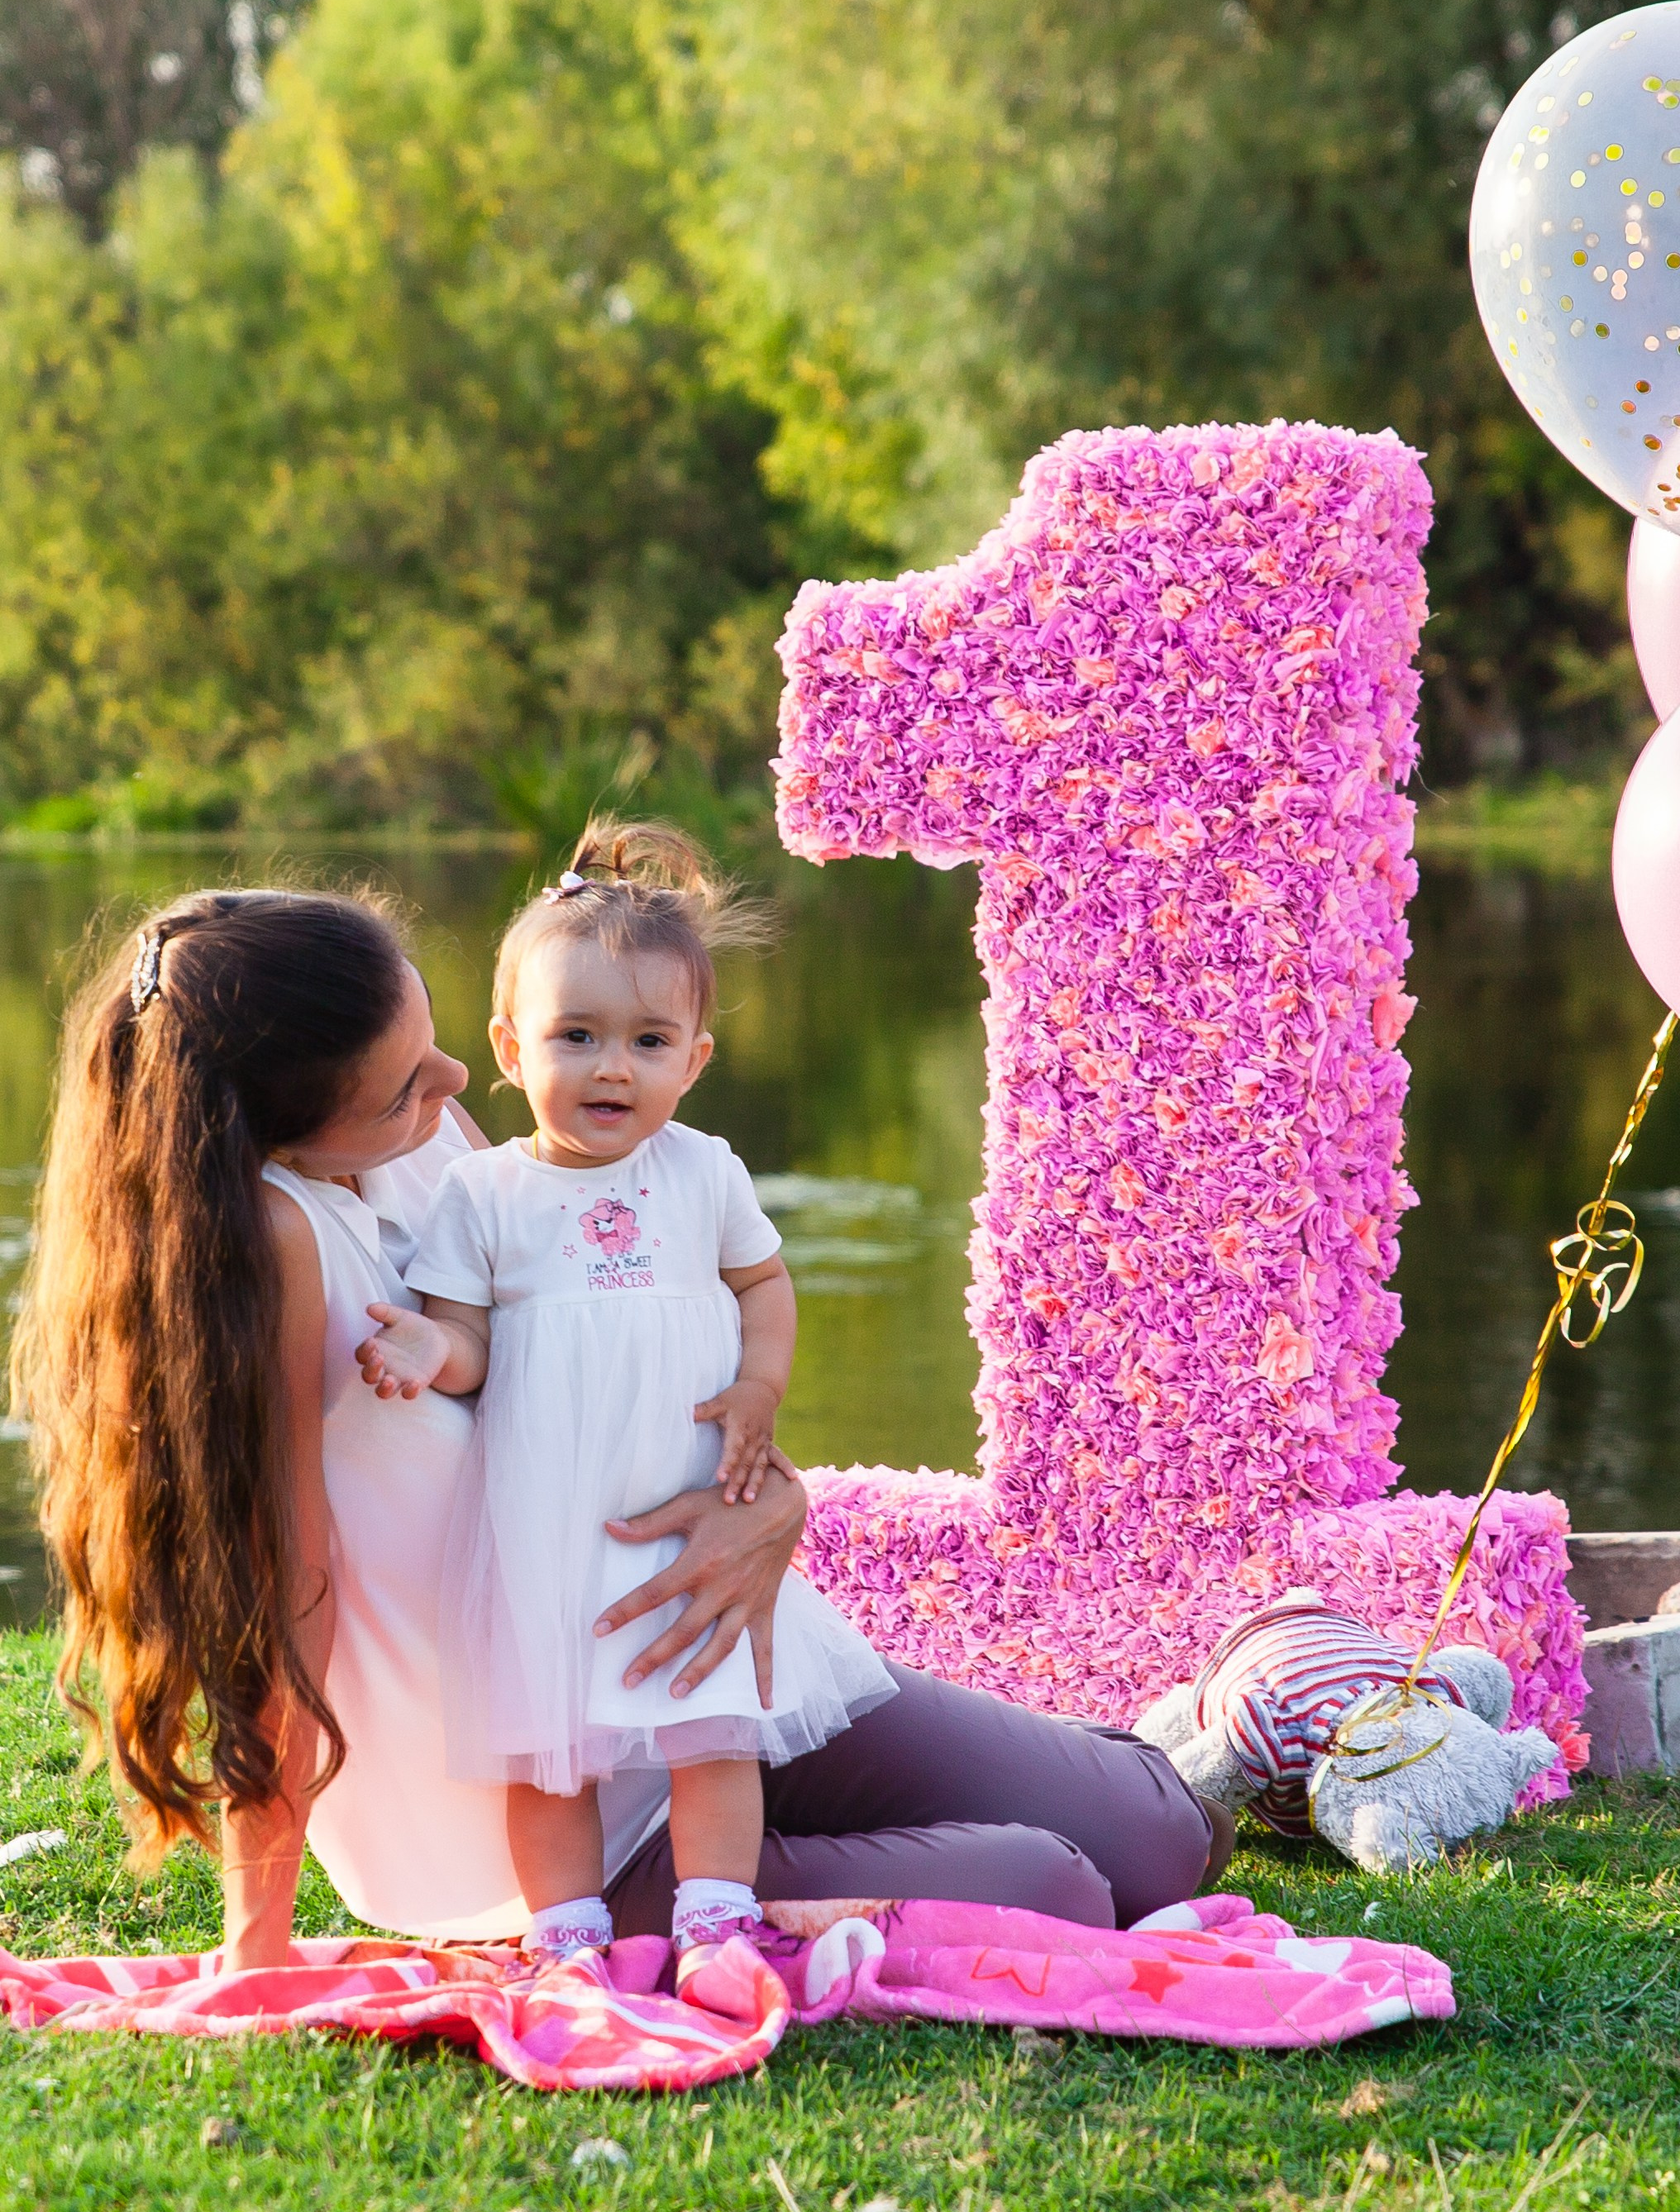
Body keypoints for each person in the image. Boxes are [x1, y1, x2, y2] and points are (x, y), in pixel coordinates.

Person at [13, 880, 1224, 1971]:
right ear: (280, 1130)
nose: (454, 1085)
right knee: (1064, 1888)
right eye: (402, 1087)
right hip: (570, 1804)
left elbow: (619, 1343)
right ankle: (672, 1906)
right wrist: (257, 1941)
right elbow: (285, 1595)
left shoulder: (430, 1153)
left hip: (705, 1663)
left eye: (434, 1044)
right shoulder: (274, 1245)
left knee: (1161, 1840)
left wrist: (771, 1505)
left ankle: (1218, 1722)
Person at [356, 823, 898, 1976]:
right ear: (510, 1047)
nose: (614, 1068)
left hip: (685, 1495)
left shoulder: (703, 1169)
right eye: (578, 1036)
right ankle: (566, 1931)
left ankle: (716, 1915)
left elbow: (764, 1285)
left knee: (713, 1725)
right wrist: (424, 1347)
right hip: (552, 1519)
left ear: (694, 1060)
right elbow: (471, 1342)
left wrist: (758, 1387)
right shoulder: (483, 1194)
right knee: (550, 1750)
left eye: (649, 1042)